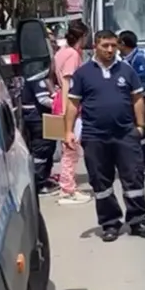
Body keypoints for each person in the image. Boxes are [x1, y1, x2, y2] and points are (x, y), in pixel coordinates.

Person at [65, 29, 145, 242]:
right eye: (105, 45)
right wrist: (68, 131)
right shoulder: (83, 73)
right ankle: (110, 223)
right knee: (101, 182)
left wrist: (140, 126)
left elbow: (138, 99)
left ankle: (138, 220)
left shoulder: (127, 71)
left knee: (133, 178)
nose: (110, 50)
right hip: (95, 136)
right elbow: (72, 104)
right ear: (95, 45)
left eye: (113, 46)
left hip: (125, 134)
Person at [53, 22, 92, 205]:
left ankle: (67, 185)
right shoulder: (73, 55)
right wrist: (70, 107)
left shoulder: (61, 52)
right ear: (82, 36)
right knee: (71, 147)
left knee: (68, 147)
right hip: (69, 102)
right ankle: (68, 189)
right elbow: (69, 80)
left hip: (61, 100)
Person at [118, 30, 145, 175]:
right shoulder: (126, 59)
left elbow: (144, 80)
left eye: (118, 43)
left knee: (139, 131)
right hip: (131, 100)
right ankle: (140, 161)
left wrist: (129, 88)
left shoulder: (138, 59)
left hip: (142, 99)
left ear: (123, 44)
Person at [21, 62, 60, 196]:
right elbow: (43, 99)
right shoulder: (39, 79)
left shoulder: (41, 78)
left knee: (48, 147)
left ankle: (45, 178)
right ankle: (40, 183)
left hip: (42, 117)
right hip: (39, 118)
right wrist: (60, 104)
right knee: (42, 150)